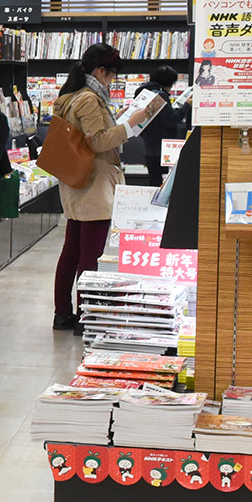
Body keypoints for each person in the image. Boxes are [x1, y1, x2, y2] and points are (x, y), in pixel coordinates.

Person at [50, 43, 165, 330]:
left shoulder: (71, 95)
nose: (112, 81)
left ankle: (63, 312)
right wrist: (131, 124)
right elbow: (98, 141)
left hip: (76, 178)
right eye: (112, 75)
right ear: (101, 71)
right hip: (94, 180)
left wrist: (122, 119)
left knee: (72, 249)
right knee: (91, 251)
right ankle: (86, 315)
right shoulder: (90, 99)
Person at [136, 65, 188, 185]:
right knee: (164, 184)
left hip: (149, 145)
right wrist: (187, 106)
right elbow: (171, 120)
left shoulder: (143, 92)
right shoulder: (159, 95)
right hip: (162, 148)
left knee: (154, 181)